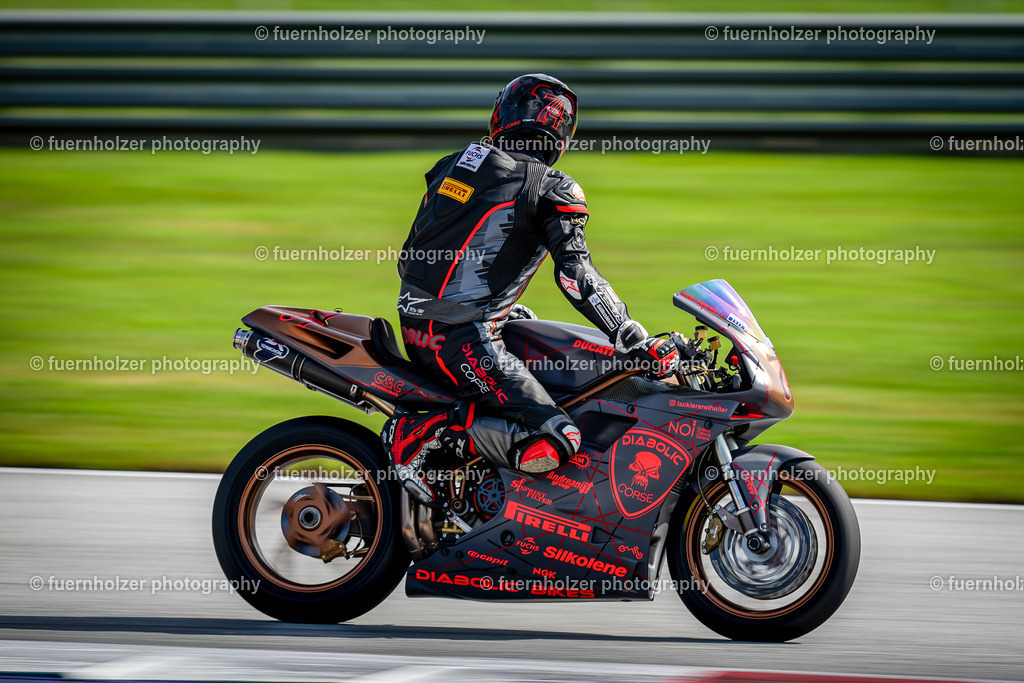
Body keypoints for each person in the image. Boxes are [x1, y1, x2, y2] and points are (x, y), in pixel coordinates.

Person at [381, 73, 679, 503]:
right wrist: (632, 336)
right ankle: (424, 433)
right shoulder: (554, 188)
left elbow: (415, 256)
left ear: (502, 113)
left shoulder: (450, 165)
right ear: (561, 131)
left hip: (416, 324)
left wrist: (497, 309)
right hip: (461, 339)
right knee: (560, 436)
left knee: (533, 337)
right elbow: (575, 275)